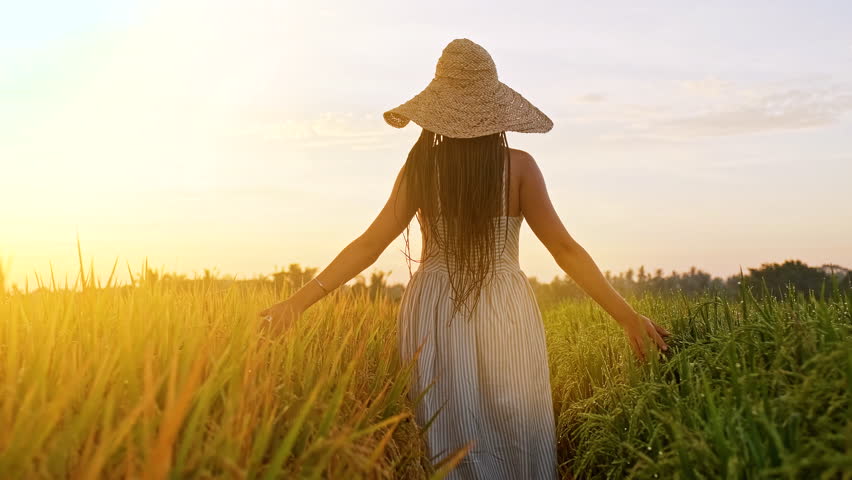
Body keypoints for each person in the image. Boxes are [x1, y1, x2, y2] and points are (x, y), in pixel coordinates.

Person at [259, 38, 671, 479]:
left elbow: (368, 246)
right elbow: (565, 250)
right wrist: (627, 317)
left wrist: (295, 303)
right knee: (514, 422)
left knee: (444, 426)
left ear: (437, 109)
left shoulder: (420, 169)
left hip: (434, 305)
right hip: (504, 302)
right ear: (496, 110)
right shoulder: (521, 168)